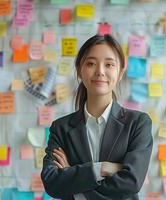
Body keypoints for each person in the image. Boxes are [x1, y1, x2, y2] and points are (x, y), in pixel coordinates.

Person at [41, 34, 153, 200]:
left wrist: (74, 183)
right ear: (80, 70)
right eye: (91, 63)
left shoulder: (138, 123)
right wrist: (102, 168)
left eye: (109, 64)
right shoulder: (61, 128)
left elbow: (131, 182)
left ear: (120, 72)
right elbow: (52, 183)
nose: (100, 71)